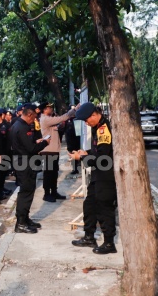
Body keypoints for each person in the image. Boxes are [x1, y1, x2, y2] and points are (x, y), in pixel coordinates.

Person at [69, 103, 118, 254]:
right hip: (98, 175)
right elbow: (99, 150)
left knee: (104, 208)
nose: (86, 123)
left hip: (106, 175)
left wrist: (83, 157)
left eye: (86, 120)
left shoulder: (104, 128)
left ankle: (109, 243)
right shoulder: (98, 127)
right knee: (89, 204)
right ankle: (89, 236)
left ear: (94, 115)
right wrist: (86, 152)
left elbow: (102, 157)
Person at [8, 103, 50, 234]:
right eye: (34, 117)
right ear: (29, 115)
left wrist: (35, 142)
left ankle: (25, 219)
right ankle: (20, 223)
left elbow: (27, 144)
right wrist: (44, 143)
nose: (35, 120)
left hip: (23, 161)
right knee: (26, 192)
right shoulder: (22, 127)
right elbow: (31, 148)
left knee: (28, 191)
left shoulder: (19, 125)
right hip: (24, 163)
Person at [38, 102, 78, 202]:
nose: (51, 108)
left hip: (53, 150)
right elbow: (61, 118)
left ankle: (54, 192)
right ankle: (47, 194)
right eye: (49, 107)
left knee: (54, 172)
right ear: (44, 109)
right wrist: (74, 110)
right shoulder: (46, 119)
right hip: (48, 150)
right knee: (48, 173)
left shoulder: (49, 118)